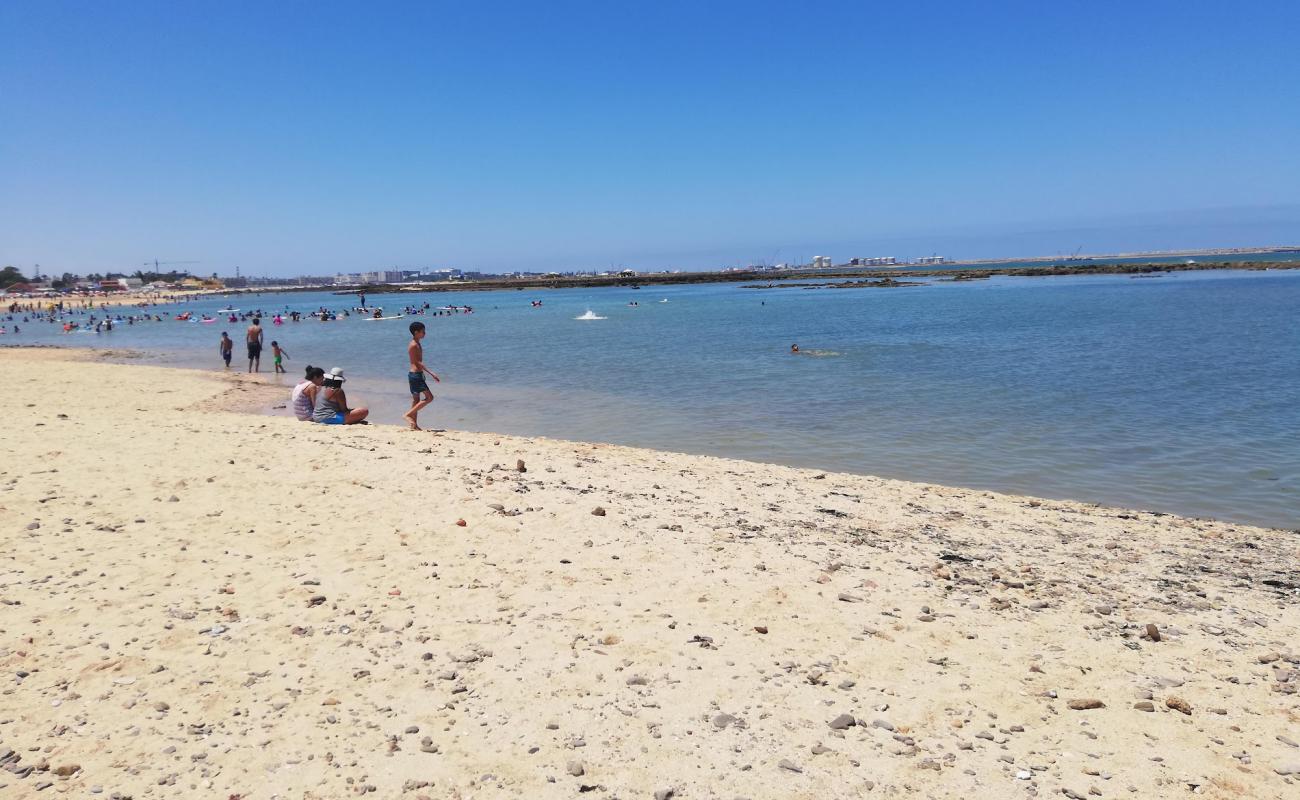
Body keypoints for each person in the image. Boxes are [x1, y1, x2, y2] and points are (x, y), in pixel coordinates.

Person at [404, 321, 441, 430]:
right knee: (430, 397)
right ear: (416, 332)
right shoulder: (414, 345)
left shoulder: (417, 343)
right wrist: (431, 373)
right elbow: (418, 362)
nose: (425, 333)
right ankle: (407, 415)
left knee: (416, 401)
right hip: (415, 375)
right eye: (423, 332)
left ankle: (414, 425)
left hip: (416, 375)